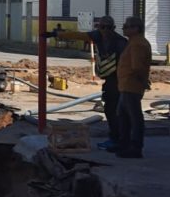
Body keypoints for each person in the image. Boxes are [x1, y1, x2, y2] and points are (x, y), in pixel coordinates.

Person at [49, 16, 127, 150]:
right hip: (109, 80)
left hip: (121, 81)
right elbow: (79, 35)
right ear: (98, 27)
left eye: (108, 27)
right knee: (110, 109)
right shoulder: (97, 36)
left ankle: (120, 139)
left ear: (114, 28)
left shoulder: (121, 42)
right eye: (102, 27)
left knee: (117, 111)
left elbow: (130, 64)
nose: (105, 30)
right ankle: (116, 138)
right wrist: (56, 34)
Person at [115, 16, 151, 159]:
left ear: (136, 28)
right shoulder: (133, 42)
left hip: (131, 85)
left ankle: (135, 147)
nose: (124, 28)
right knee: (123, 115)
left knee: (134, 117)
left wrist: (142, 81)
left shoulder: (138, 44)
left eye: (127, 26)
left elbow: (137, 67)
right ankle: (124, 143)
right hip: (126, 85)